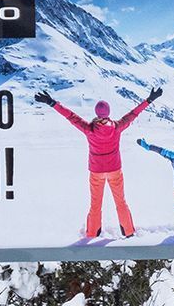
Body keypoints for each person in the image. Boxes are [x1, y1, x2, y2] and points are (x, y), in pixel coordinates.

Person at [37, 85, 163, 238]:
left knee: (95, 204)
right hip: (115, 170)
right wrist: (149, 100)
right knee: (121, 202)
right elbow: (133, 114)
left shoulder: (89, 129)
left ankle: (92, 234)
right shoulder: (117, 127)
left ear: (96, 113)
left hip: (96, 171)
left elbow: (71, 116)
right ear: (108, 113)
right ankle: (128, 232)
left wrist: (52, 103)